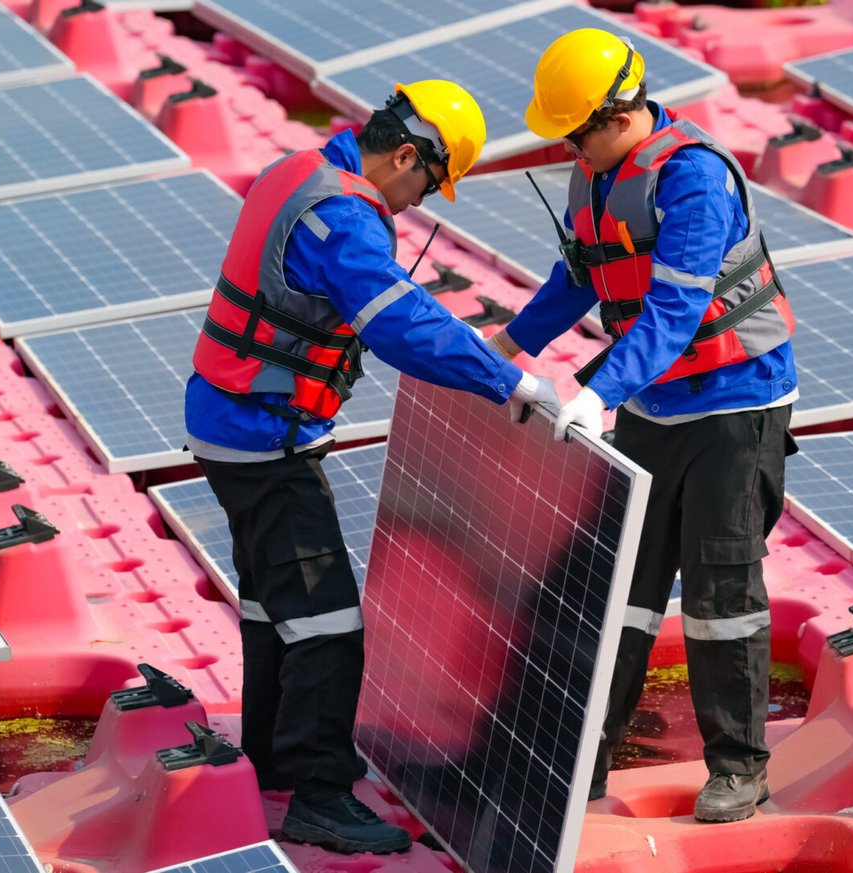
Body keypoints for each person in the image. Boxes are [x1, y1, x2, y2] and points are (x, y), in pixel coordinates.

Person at [184, 79, 558, 855]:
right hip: (264, 438)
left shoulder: (298, 168)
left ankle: (276, 753)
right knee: (329, 620)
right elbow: (398, 323)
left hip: (232, 423)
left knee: (272, 599)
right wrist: (510, 380)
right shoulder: (342, 217)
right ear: (404, 155)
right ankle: (320, 794)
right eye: (428, 182)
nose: (419, 202)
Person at [489, 30, 798, 823]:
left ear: (619, 113)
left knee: (720, 593)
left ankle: (739, 766)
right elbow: (577, 278)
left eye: (577, 132)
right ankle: (581, 760)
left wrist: (595, 387)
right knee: (620, 589)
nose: (570, 147)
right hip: (653, 406)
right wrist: (505, 349)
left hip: (735, 407)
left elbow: (674, 308)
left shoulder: (694, 178)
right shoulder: (592, 176)